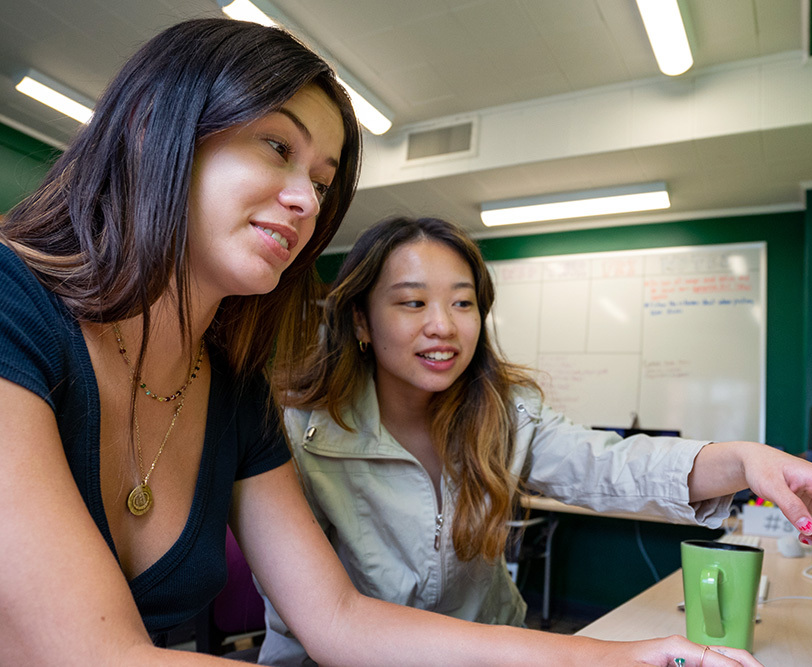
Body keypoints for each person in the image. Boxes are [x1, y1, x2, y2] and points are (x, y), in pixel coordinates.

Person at [0, 17, 771, 667]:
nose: (305, 199)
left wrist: (615, 654)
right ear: (151, 129)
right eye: (277, 146)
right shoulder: (18, 308)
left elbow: (341, 613)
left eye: (324, 178)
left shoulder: (234, 387)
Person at [258, 215, 812, 666]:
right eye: (410, 302)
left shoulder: (502, 412)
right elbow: (333, 625)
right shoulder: (296, 436)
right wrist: (588, 654)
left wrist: (746, 458)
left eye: (463, 303)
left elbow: (611, 465)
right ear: (362, 321)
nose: (443, 325)